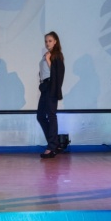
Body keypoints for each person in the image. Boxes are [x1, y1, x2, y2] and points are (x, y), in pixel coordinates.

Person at [37, 31, 65, 159]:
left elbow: (57, 73)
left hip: (51, 87)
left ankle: (52, 146)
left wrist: (48, 60)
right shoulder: (47, 55)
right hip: (45, 86)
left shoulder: (56, 55)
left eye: (50, 41)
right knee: (41, 116)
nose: (47, 43)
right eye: (46, 41)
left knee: (51, 115)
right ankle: (54, 143)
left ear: (55, 42)